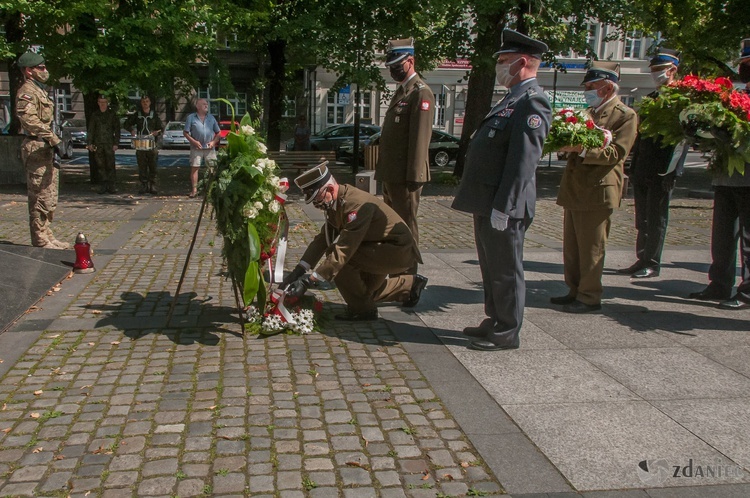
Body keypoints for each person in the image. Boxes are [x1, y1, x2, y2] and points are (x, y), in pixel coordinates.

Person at [451, 29, 552, 351]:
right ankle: (495, 319)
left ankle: (508, 330)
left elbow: (523, 161)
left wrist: (504, 206)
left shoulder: (532, 101)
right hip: (488, 200)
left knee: (506, 270)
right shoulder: (512, 98)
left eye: (504, 61)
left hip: (505, 204)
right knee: (490, 266)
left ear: (522, 62)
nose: (498, 67)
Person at [283, 162, 428, 321]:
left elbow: (344, 250)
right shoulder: (337, 201)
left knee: (337, 261)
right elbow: (322, 240)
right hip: (377, 249)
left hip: (396, 251)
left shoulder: (355, 204)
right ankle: (409, 286)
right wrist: (299, 270)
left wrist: (308, 281)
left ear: (330, 189)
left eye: (317, 198)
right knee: (362, 292)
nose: (317, 205)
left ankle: (363, 311)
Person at [552, 61, 638, 313]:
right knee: (572, 246)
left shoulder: (624, 115)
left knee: (592, 247)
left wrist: (580, 148)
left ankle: (589, 296)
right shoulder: (589, 111)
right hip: (576, 187)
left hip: (598, 189)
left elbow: (617, 152)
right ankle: (574, 289)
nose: (587, 90)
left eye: (592, 85)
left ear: (608, 87)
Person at [687, 38, 750, 310]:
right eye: (745, 65)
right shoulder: (737, 96)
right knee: (722, 235)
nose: (745, 70)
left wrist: (734, 139)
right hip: (726, 176)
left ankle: (747, 292)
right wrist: (701, 136)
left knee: (748, 241)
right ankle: (720, 284)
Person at [618, 48, 689, 279]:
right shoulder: (651, 99)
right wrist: (633, 164)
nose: (656, 75)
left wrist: (674, 170)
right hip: (643, 166)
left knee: (657, 216)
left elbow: (682, 141)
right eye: (653, 71)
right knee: (643, 216)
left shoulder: (682, 101)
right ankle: (642, 258)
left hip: (663, 168)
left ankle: (652, 261)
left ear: (673, 70)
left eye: (660, 70)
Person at [374, 38, 435, 274]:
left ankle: (409, 278)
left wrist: (415, 175)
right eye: (390, 66)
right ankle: (397, 270)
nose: (393, 70)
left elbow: (419, 139)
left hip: (405, 176)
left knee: (406, 226)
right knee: (393, 225)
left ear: (410, 61)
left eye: (397, 65)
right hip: (392, 173)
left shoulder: (421, 93)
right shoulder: (403, 91)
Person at [15, 51, 69, 250]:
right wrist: (53, 139)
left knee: (49, 194)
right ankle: (39, 238)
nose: (45, 71)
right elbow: (29, 120)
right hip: (36, 147)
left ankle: (47, 233)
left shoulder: (40, 90)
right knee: (39, 195)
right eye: (41, 68)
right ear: (29, 71)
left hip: (46, 148)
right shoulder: (26, 92)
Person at [124, 95, 163, 195]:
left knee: (153, 165)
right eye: (143, 101)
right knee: (142, 165)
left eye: (147, 101)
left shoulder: (154, 115)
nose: (145, 103)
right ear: (141, 103)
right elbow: (126, 124)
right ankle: (143, 185)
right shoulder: (137, 114)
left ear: (150, 103)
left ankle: (152, 185)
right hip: (141, 142)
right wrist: (132, 130)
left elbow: (161, 128)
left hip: (152, 143)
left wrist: (156, 132)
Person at [184, 98, 220, 198]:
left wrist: (213, 142)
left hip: (209, 148)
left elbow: (218, 133)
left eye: (207, 104)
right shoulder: (191, 118)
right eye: (204, 104)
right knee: (195, 168)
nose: (206, 106)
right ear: (197, 106)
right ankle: (194, 190)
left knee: (212, 169)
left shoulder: (211, 118)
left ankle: (211, 190)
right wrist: (194, 142)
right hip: (196, 148)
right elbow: (185, 133)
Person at [87, 94, 120, 194]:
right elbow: (91, 130)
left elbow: (117, 130)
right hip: (98, 144)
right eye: (101, 102)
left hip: (109, 144)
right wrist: (90, 143)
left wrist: (116, 143)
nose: (103, 104)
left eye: (104, 102)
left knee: (110, 165)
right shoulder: (95, 115)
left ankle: (112, 185)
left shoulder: (112, 114)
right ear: (98, 103)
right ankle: (103, 185)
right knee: (100, 166)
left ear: (107, 103)